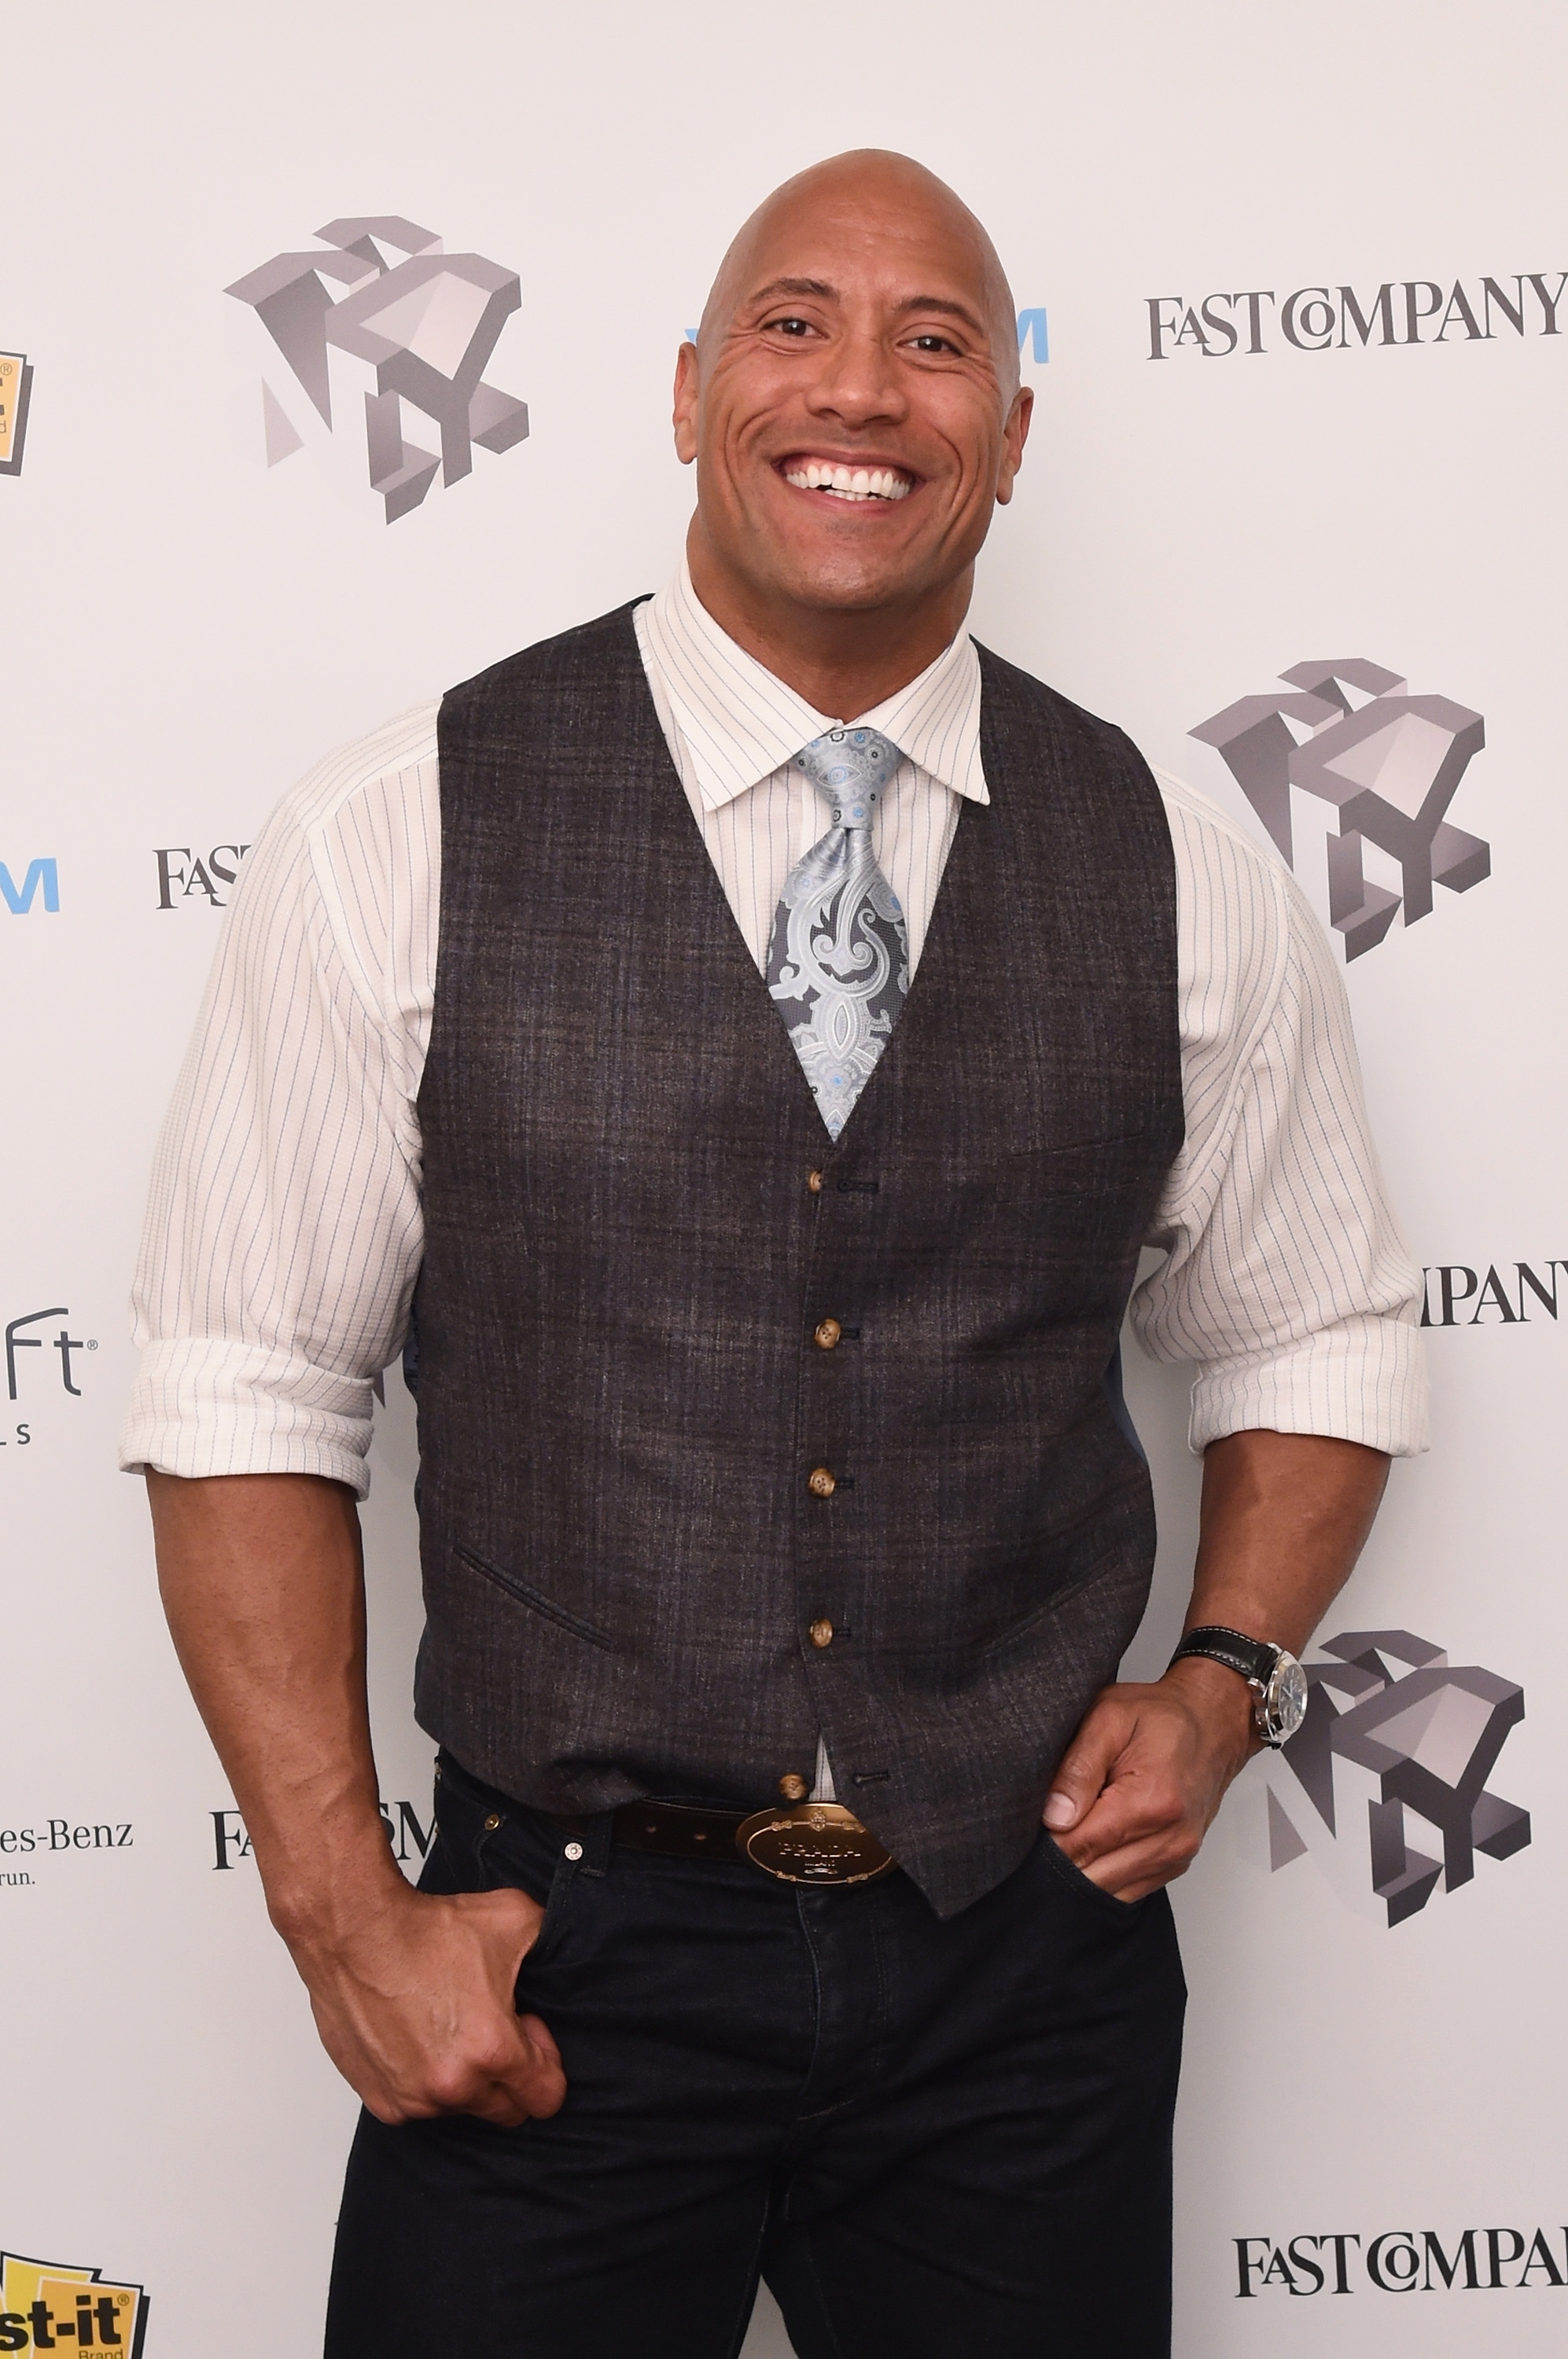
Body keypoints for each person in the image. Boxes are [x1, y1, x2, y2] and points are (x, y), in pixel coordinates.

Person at [122, 149, 1426, 2357]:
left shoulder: (1174, 855)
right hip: (555, 1955)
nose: (862, 391)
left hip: (1022, 1965)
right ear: (684, 392)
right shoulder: (401, 823)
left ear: (1012, 433)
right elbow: (248, 1385)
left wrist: (1223, 1685)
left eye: (939, 343)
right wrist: (349, 1917)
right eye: (794, 325)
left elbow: (1315, 1328)